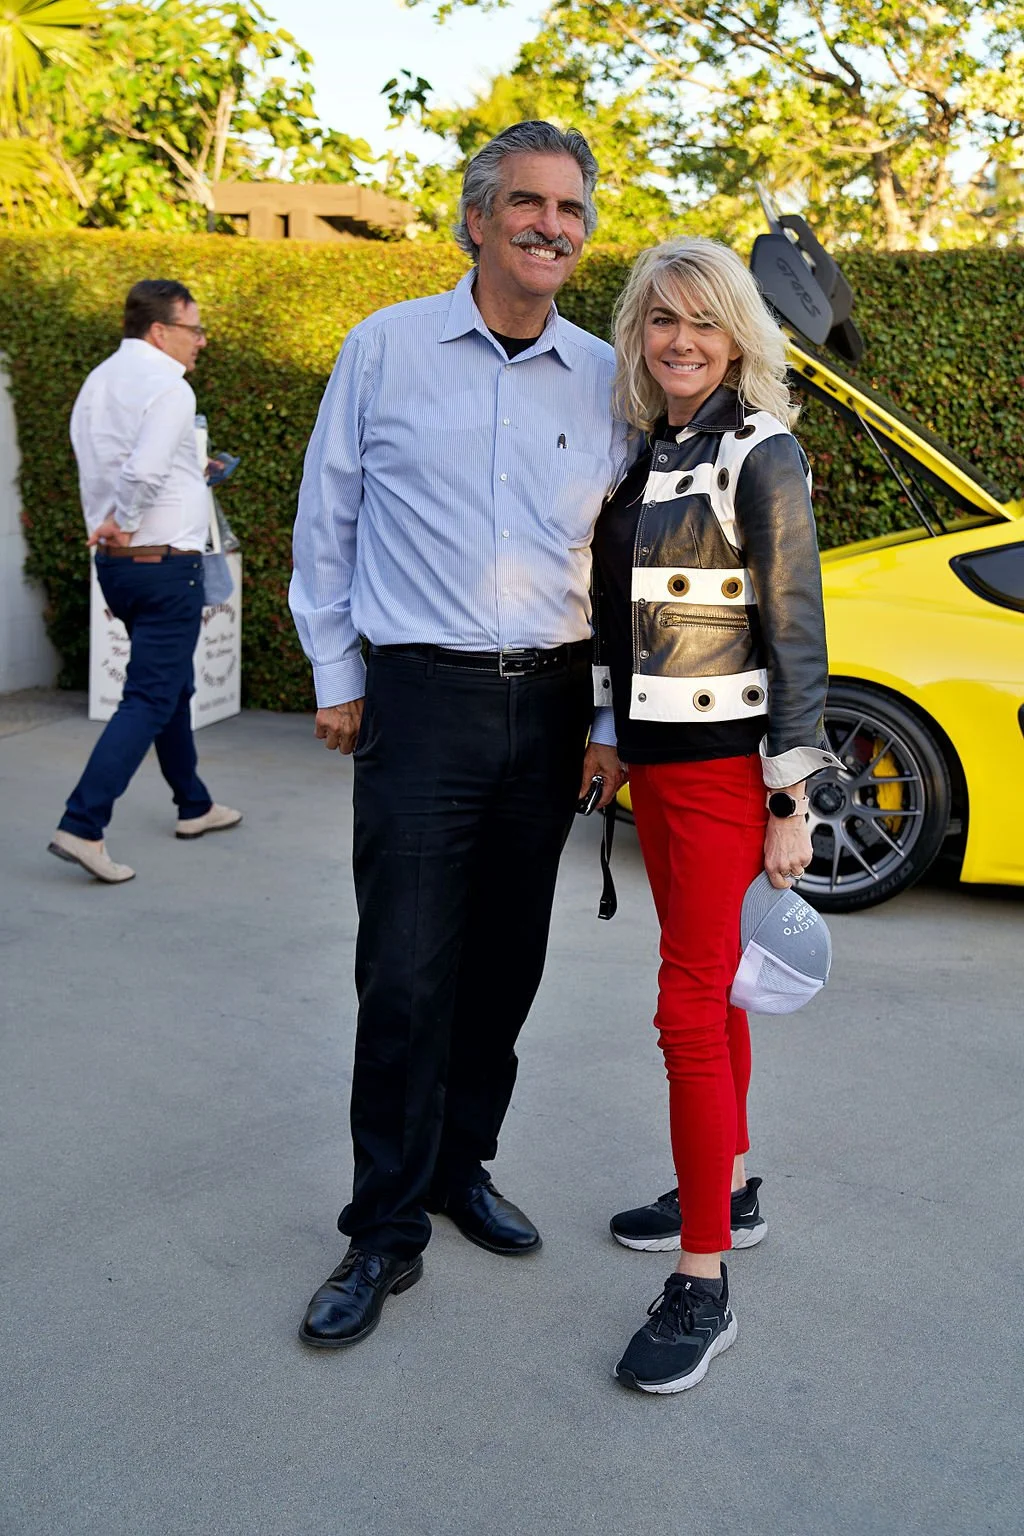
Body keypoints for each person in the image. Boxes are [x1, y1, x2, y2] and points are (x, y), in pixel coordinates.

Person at [289, 121, 629, 1350]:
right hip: (420, 701)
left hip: (548, 710)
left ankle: (459, 1166)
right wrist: (338, 672)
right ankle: (382, 1227)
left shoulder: (605, 376)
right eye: (529, 203)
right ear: (477, 218)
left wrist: (601, 716)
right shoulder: (382, 350)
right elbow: (326, 518)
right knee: (405, 972)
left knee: (504, 966)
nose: (552, 225)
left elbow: (618, 564)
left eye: (571, 210)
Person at [589, 237, 839, 1393]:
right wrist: (607, 737)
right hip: (660, 771)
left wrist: (792, 796)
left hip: (731, 777)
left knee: (687, 1010)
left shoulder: (761, 450)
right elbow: (616, 620)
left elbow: (793, 632)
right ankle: (727, 1194)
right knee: (716, 988)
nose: (678, 339)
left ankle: (702, 1283)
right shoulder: (648, 456)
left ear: (739, 333)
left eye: (700, 319)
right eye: (658, 320)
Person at [48, 280, 241, 884]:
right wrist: (125, 522)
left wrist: (116, 523)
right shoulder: (170, 388)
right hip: (161, 564)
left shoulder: (97, 382)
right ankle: (82, 825)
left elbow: (107, 464)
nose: (201, 342)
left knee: (169, 685)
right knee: (151, 696)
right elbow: (144, 470)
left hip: (118, 568)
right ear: (160, 331)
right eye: (194, 330)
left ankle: (195, 804)